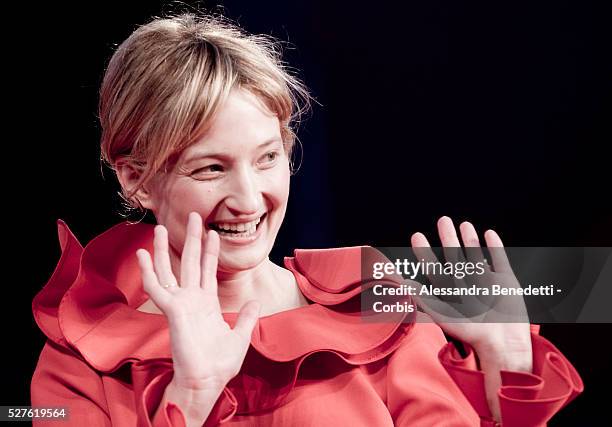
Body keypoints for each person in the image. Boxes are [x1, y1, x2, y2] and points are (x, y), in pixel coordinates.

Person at [31, 12, 583, 427]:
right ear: (135, 179)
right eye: (210, 168)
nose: (249, 198)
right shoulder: (79, 362)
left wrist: (507, 361)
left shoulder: (379, 313)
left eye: (268, 157)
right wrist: (191, 398)